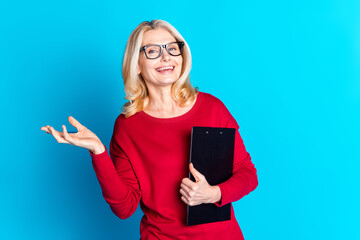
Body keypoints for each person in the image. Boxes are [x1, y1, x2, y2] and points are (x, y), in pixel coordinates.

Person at [41, 20, 258, 240]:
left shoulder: (212, 109)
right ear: (136, 64)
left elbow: (248, 174)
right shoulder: (128, 126)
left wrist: (215, 193)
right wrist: (98, 152)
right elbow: (124, 208)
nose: (166, 57)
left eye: (172, 48)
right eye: (152, 51)